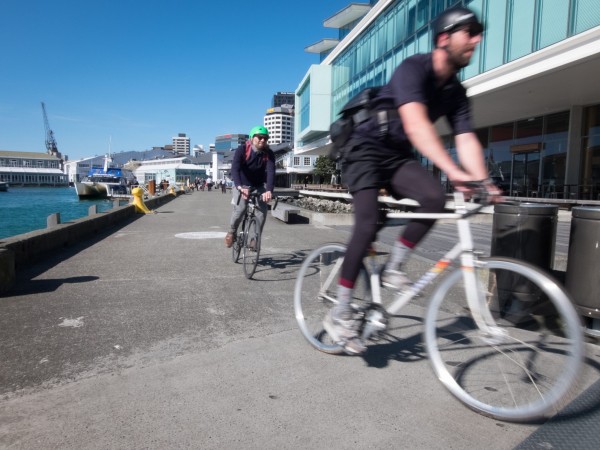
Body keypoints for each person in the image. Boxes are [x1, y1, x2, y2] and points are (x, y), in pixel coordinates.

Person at [323, 6, 501, 355]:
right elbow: (417, 125)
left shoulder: (455, 93)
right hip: (364, 147)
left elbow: (465, 139)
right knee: (368, 221)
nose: (477, 39)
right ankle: (341, 311)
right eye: (471, 32)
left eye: (479, 33)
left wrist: (483, 181)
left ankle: (393, 267)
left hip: (396, 156)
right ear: (445, 38)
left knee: (435, 198)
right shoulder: (413, 68)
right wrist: (454, 171)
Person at [224, 125, 276, 248]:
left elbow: (271, 172)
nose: (263, 140)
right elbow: (235, 169)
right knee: (241, 209)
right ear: (252, 138)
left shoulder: (269, 153)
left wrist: (269, 190)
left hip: (258, 185)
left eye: (265, 138)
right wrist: (240, 187)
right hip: (241, 184)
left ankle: (255, 238)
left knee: (262, 212)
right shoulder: (242, 150)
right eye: (260, 137)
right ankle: (231, 232)